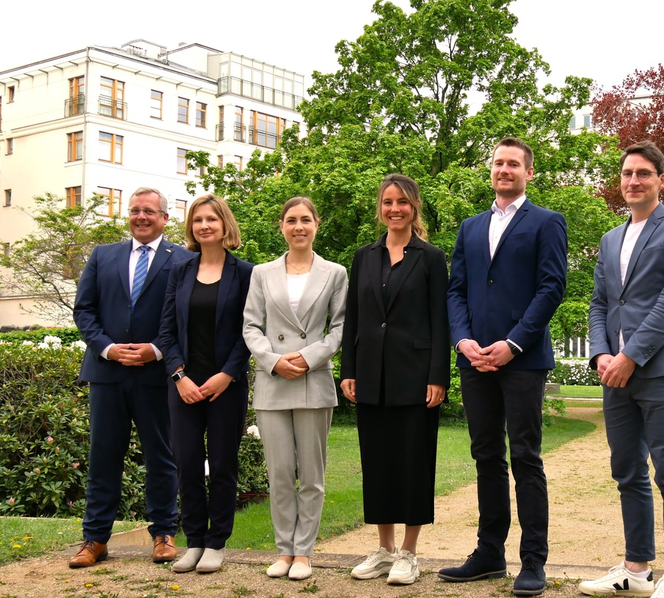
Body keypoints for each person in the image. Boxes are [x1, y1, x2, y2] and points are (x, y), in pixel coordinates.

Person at [441, 138, 567, 596]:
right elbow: (456, 290)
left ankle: (533, 561)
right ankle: (489, 553)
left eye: (514, 164)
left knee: (526, 458)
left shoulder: (548, 223)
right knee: (485, 456)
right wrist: (463, 340)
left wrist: (513, 343)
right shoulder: (470, 227)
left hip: (522, 360)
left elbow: (551, 288)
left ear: (528, 173)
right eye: (498, 162)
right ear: (490, 169)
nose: (504, 169)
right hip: (475, 361)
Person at [580, 141, 664, 598]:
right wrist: (600, 354)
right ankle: (635, 568)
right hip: (615, 374)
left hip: (662, 372)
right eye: (627, 173)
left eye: (644, 173)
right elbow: (600, 304)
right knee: (627, 471)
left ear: (661, 180)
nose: (633, 181)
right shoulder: (611, 239)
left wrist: (632, 356)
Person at [70, 187, 193, 569]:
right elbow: (84, 309)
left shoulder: (183, 260)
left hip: (156, 374)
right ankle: (95, 540)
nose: (141, 217)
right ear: (129, 215)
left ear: (165, 218)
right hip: (106, 372)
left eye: (149, 211)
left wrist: (155, 349)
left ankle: (163, 534)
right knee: (103, 456)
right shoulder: (102, 255)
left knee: (162, 456)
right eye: (135, 210)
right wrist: (108, 348)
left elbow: (183, 317)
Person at [340, 174, 450, 586]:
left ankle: (409, 552)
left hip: (416, 375)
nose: (394, 209)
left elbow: (441, 321)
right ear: (380, 207)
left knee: (414, 463)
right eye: (388, 202)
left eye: (402, 202)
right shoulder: (363, 256)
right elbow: (355, 316)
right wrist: (348, 368)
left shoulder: (431, 258)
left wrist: (439, 375)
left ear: (414, 206)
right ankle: (384, 550)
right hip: (371, 374)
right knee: (379, 463)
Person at [242, 197, 347, 581]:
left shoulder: (335, 272)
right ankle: (283, 550)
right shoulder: (262, 273)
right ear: (281, 226)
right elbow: (251, 325)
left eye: (305, 220)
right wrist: (272, 360)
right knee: (281, 472)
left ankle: (304, 552)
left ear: (317, 224)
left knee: (312, 474)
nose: (298, 226)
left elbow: (339, 328)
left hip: (312, 380)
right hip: (273, 380)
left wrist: (307, 358)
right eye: (291, 220)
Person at [158, 194, 253, 574]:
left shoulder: (245, 273)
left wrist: (226, 374)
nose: (204, 226)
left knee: (224, 464)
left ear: (224, 224)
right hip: (184, 385)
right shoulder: (179, 271)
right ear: (191, 227)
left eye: (212, 219)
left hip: (226, 385)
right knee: (187, 464)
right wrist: (179, 376)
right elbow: (166, 331)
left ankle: (217, 543)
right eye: (198, 220)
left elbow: (250, 331)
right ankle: (194, 541)